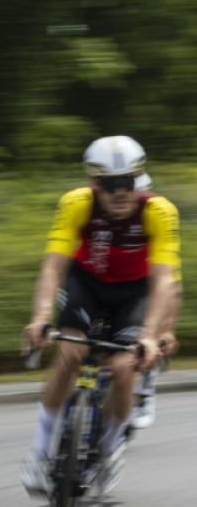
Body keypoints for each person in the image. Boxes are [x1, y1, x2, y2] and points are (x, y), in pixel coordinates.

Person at [20, 136, 179, 499]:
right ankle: (40, 451)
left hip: (134, 293)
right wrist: (41, 316)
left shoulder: (159, 211)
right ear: (94, 184)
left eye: (129, 182)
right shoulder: (75, 203)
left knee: (124, 370)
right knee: (69, 353)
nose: (121, 192)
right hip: (86, 283)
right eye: (110, 185)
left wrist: (153, 335)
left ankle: (109, 451)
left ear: (139, 179)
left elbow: (164, 280)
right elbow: (53, 265)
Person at [128, 172, 182, 430]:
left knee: (153, 339)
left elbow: (172, 287)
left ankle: (145, 392)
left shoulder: (159, 220)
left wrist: (166, 331)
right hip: (116, 286)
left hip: (151, 288)